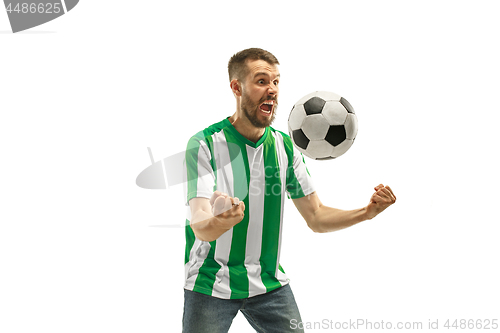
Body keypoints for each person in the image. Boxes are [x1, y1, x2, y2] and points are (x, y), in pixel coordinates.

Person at [182, 48, 396, 333]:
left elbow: (316, 217)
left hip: (269, 285)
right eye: (261, 81)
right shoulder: (205, 144)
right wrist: (220, 222)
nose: (271, 90)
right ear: (236, 87)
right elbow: (200, 225)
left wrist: (367, 212)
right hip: (210, 284)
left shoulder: (284, 146)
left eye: (276, 82)